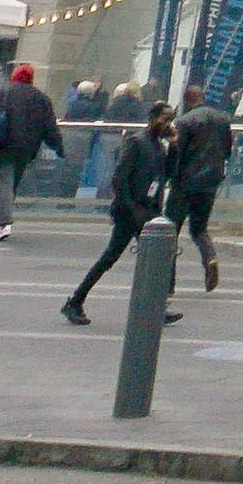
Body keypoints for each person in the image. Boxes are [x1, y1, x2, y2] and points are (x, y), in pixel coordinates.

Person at [62, 107, 177, 325]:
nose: (167, 124)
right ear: (152, 118)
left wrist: (175, 146)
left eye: (170, 120)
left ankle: (155, 306)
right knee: (111, 257)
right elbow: (119, 178)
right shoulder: (137, 142)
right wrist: (131, 208)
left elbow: (169, 173)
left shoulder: (158, 147)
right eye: (164, 119)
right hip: (131, 211)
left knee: (154, 259)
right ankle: (75, 301)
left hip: (148, 209)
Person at [0, 60, 59, 238]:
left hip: (3, 144)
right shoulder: (42, 98)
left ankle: (3, 222)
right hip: (27, 148)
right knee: (11, 183)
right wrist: (58, 146)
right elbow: (50, 126)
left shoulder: (1, 94)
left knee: (5, 181)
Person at [168, 93, 236, 293]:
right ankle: (210, 258)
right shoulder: (223, 119)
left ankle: (168, 281)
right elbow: (227, 149)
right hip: (210, 181)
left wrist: (171, 176)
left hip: (185, 182)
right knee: (199, 229)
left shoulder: (183, 122)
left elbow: (177, 153)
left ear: (187, 101)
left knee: (170, 231)